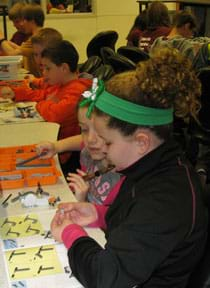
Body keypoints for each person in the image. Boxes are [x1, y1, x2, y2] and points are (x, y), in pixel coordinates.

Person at [50, 48, 207, 288]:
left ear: (142, 141)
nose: (101, 148)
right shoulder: (147, 165)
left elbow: (105, 277)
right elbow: (133, 220)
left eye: (108, 141)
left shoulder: (166, 198)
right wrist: (98, 215)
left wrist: (71, 234)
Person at [0, 40, 92, 173]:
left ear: (64, 68)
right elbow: (43, 95)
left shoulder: (77, 91)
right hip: (54, 145)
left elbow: (55, 115)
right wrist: (16, 93)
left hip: (65, 155)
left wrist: (42, 104)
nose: (44, 73)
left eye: (48, 68)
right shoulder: (60, 85)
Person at [36, 96, 123, 204]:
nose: (90, 139)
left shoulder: (123, 183)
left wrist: (82, 201)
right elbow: (81, 141)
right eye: (84, 129)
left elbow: (106, 219)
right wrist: (56, 147)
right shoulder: (95, 149)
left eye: (100, 131)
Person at [0, 3, 45, 77]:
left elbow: (13, 54)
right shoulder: (41, 35)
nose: (22, 23)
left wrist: (1, 39)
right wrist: (4, 41)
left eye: (24, 20)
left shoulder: (36, 39)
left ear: (32, 21)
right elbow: (20, 49)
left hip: (39, 79)